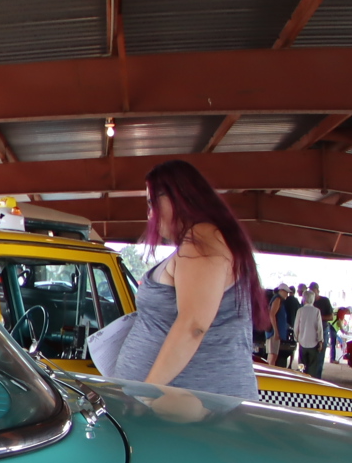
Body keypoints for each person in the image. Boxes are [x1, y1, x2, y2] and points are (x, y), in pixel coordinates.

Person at [95, 159, 267, 400]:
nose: (149, 213)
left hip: (196, 407)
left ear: (178, 196)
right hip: (183, 406)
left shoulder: (202, 239)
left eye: (152, 202)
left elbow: (193, 325)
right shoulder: (200, 242)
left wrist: (146, 393)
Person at [295, 286, 326, 378]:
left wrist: (296, 338)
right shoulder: (317, 311)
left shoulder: (300, 310)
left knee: (301, 366)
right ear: (313, 300)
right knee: (312, 367)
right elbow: (319, 327)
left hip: (302, 342)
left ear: (304, 299)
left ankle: (301, 381)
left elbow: (296, 326)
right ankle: (310, 384)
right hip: (314, 343)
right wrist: (320, 341)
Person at [275, 284, 299, 369]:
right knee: (292, 346)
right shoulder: (296, 302)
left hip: (284, 325)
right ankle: (290, 364)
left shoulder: (284, 300)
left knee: (281, 347)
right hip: (293, 325)